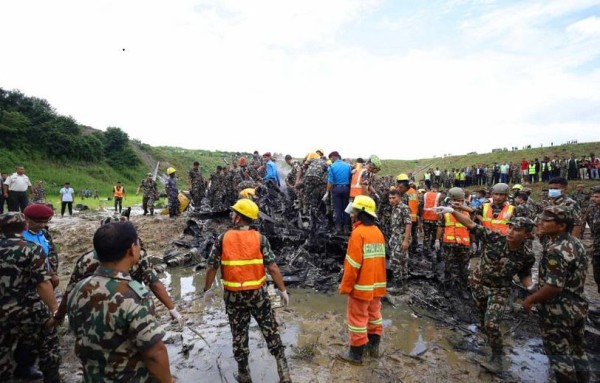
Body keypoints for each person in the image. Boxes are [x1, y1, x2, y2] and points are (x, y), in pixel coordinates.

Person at [67, 221, 173, 382]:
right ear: (132, 249)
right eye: (138, 243)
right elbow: (154, 354)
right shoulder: (134, 297)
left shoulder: (79, 289)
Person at [436, 203, 536, 373]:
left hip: (500, 289)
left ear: (527, 235)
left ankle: (497, 357)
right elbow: (471, 225)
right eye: (510, 227)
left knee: (492, 323)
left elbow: (524, 274)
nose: (510, 232)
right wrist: (453, 211)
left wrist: (532, 288)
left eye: (516, 230)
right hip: (478, 283)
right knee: (483, 317)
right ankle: (485, 336)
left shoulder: (527, 255)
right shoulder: (496, 238)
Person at [203, 199, 291, 383]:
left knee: (239, 335)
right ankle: (284, 373)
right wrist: (282, 290)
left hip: (234, 297)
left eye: (234, 212)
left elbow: (211, 267)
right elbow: (273, 267)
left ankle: (244, 375)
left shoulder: (223, 238)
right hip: (258, 295)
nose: (231, 215)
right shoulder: (260, 238)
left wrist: (207, 289)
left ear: (238, 218)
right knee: (270, 330)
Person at [54, 220, 182, 326]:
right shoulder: (88, 261)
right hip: (101, 308)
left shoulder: (139, 256)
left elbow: (153, 282)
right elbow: (70, 292)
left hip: (124, 306)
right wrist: (59, 317)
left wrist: (172, 308)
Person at [523, 206, 590, 382]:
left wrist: (530, 300)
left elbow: (554, 287)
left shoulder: (556, 250)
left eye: (546, 221)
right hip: (577, 305)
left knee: (559, 357)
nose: (540, 223)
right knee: (578, 350)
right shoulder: (574, 243)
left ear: (561, 226)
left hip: (558, 311)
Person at [0, 212, 61, 382]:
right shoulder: (32, 249)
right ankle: (50, 376)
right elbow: (42, 283)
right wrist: (55, 309)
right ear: (24, 226)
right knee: (48, 343)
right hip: (28, 307)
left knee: (3, 347)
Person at [337, 195, 386, 365]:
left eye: (354, 212)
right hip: (376, 287)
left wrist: (345, 287)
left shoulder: (358, 234)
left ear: (361, 213)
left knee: (357, 319)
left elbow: (352, 266)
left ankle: (355, 354)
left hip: (360, 287)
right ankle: (373, 348)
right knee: (374, 316)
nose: (351, 215)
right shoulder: (378, 232)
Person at [435, 187, 472, 299]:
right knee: (448, 267)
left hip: (464, 245)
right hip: (449, 244)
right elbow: (441, 227)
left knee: (463, 269)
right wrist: (437, 240)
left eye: (461, 200)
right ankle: (448, 288)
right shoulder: (445, 212)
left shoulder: (468, 212)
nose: (459, 203)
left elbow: (472, 227)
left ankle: (463, 289)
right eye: (456, 200)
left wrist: (474, 242)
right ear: (450, 200)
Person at [387, 189, 412, 293]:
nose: (391, 200)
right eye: (390, 198)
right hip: (395, 239)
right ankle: (403, 285)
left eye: (394, 198)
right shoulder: (394, 208)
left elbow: (408, 224)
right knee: (402, 261)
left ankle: (398, 286)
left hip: (401, 239)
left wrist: (405, 241)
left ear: (399, 198)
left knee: (395, 262)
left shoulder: (404, 208)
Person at [324, 151, 352, 233]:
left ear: (333, 157)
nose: (331, 160)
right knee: (346, 209)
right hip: (346, 189)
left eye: (331, 158)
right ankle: (346, 227)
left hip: (336, 189)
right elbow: (350, 177)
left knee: (338, 209)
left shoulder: (331, 167)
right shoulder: (347, 166)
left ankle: (338, 227)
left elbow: (330, 182)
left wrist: (327, 192)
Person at [589, 187, 600, 293]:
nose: (593, 199)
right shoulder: (597, 210)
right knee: (597, 277)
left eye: (596, 197)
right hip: (597, 249)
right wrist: (594, 245)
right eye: (593, 196)